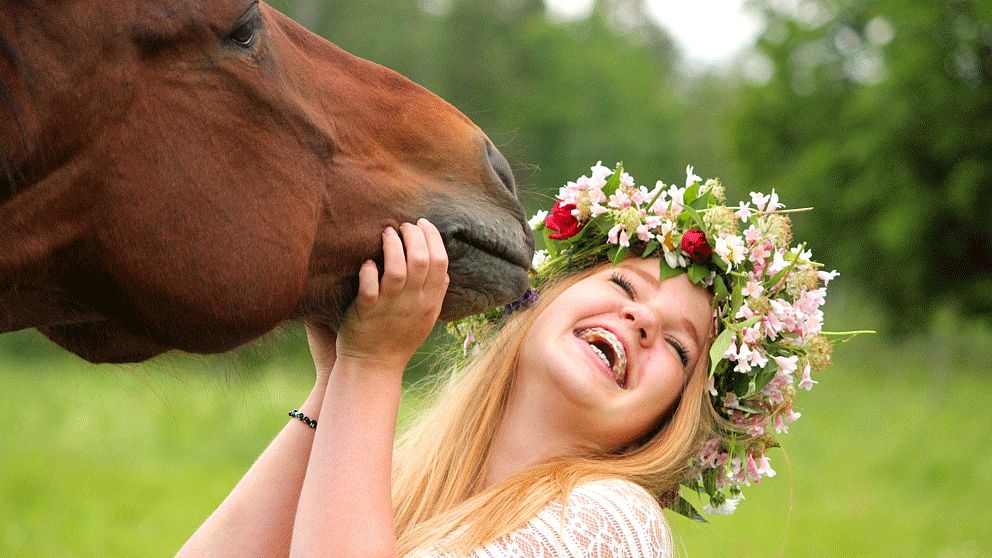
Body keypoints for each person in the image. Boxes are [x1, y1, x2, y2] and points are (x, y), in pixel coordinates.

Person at [180, 163, 846, 556]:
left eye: (678, 346)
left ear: (668, 417)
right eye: (622, 286)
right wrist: (335, 383)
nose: (642, 320)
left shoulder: (613, 525)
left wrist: (374, 369)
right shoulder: (399, 479)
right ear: (536, 299)